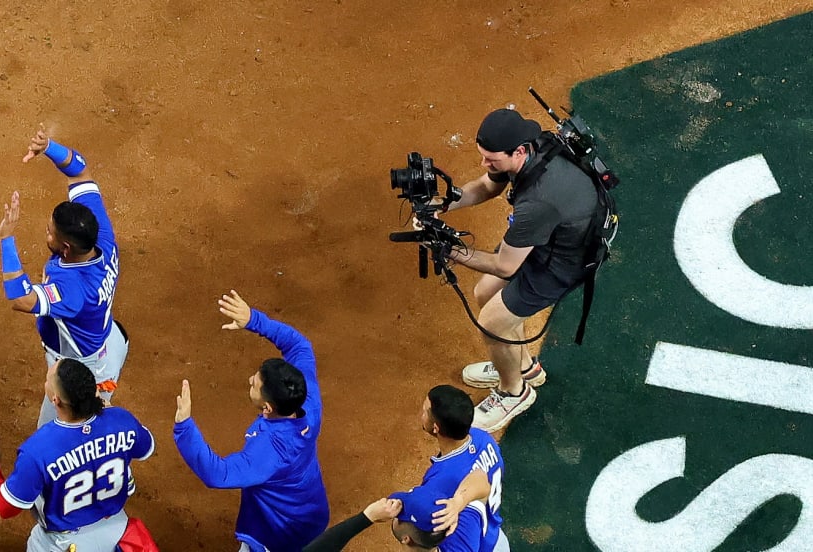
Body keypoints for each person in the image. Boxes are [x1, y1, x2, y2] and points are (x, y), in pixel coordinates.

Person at [438, 108, 604, 431]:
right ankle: (522, 367)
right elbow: (487, 186)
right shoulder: (530, 148)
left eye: (491, 160)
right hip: (548, 238)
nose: (484, 164)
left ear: (518, 152)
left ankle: (513, 391)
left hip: (561, 262)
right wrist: (443, 204)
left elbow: (504, 265)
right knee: (484, 293)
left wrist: (450, 250)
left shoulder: (540, 201)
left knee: (492, 323)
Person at [173, 291, 330, 551]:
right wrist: (253, 320)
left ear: (267, 407)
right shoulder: (306, 400)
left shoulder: (270, 449)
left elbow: (218, 473)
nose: (249, 380)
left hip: (278, 534)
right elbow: (299, 346)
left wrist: (184, 427)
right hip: (313, 515)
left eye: (254, 385)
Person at [0, 128, 129, 427]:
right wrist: (49, 147)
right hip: (106, 339)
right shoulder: (100, 237)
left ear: (66, 248)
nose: (46, 234)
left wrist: (6, 238)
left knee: (54, 435)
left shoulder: (73, 290)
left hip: (79, 368)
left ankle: (97, 408)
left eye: (50, 233)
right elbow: (80, 172)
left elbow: (21, 299)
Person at [0, 359, 160, 552]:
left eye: (48, 380)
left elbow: (6, 507)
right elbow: (146, 448)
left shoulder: (38, 449)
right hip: (117, 532)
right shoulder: (122, 420)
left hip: (64, 544)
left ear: (55, 400)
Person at [300, 387, 505, 552]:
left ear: (436, 428)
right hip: (493, 539)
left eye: (425, 411)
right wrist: (458, 502)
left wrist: (368, 516)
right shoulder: (482, 438)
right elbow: (480, 479)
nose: (421, 413)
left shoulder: (440, 485)